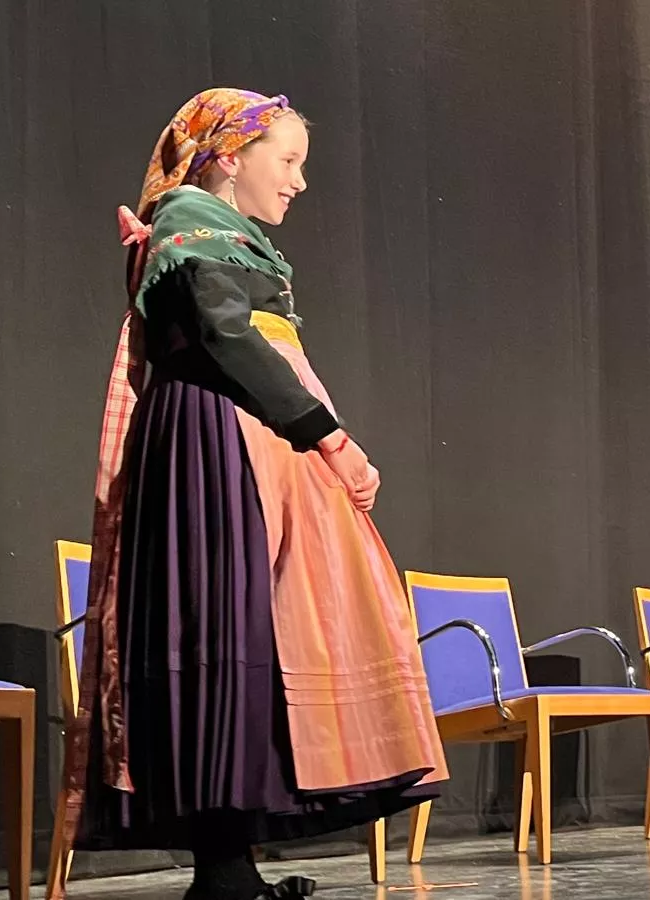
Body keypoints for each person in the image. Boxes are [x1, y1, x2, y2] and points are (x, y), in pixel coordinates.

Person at [55, 89, 449, 900]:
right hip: (214, 442)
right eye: (290, 160)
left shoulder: (210, 231)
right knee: (224, 634)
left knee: (254, 637)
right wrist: (331, 439)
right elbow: (228, 336)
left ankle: (231, 869)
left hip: (246, 439)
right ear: (229, 157)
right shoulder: (190, 222)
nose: (300, 182)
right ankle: (223, 873)